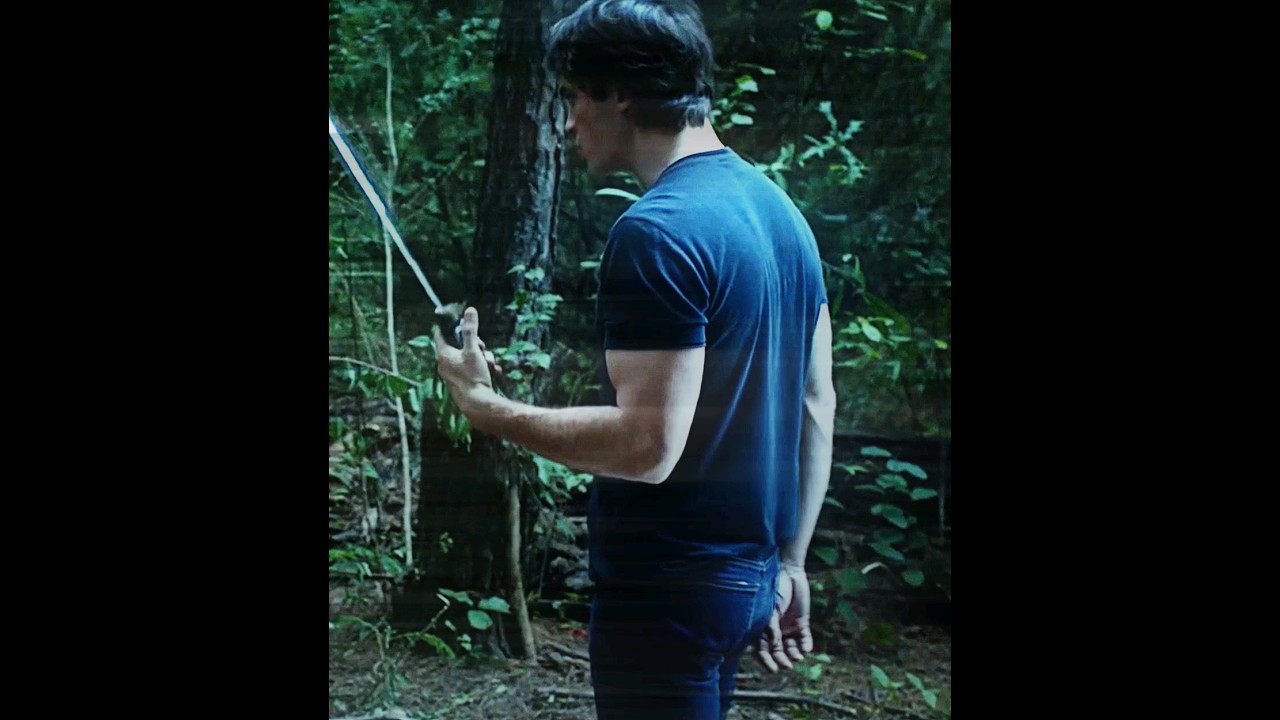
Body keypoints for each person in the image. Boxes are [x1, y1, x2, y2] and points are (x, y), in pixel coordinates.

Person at [432, 1, 836, 717]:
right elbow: (815, 403)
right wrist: (793, 562)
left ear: (619, 92)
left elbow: (647, 448)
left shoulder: (656, 232)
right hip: (749, 579)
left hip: (667, 594)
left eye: (572, 97)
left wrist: (486, 409)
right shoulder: (782, 213)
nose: (567, 123)